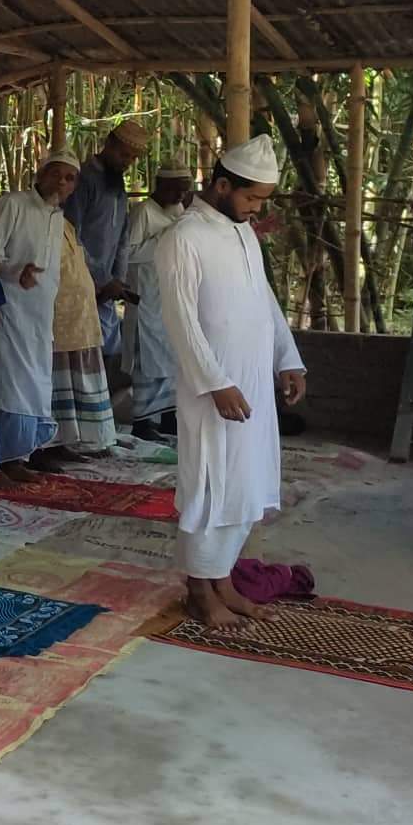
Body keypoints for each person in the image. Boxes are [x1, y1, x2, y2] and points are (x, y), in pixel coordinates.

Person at [157, 136, 305, 629]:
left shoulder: (244, 234)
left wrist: (288, 359)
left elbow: (266, 302)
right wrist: (215, 383)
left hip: (252, 383)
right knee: (210, 486)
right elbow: (180, 320)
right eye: (251, 197)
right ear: (222, 185)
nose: (256, 208)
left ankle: (222, 580)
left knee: (245, 483)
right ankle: (199, 591)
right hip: (213, 390)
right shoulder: (183, 237)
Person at [0, 152, 78, 481]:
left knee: (34, 384)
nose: (61, 182)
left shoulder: (58, 218)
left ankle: (19, 456)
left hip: (39, 317)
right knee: (8, 384)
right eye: (56, 174)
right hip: (9, 310)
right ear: (40, 173)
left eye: (69, 178)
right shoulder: (13, 204)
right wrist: (15, 269)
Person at [63, 121, 149, 357]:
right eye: (123, 154)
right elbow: (70, 238)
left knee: (108, 356)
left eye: (132, 158)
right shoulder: (83, 180)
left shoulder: (117, 182)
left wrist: (117, 280)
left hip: (105, 292)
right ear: (108, 143)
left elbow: (122, 237)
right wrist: (102, 278)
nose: (127, 162)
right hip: (78, 285)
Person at [123, 168, 195, 439]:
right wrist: (167, 237)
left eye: (185, 190)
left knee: (172, 360)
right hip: (146, 299)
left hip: (169, 298)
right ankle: (143, 422)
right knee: (148, 362)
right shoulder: (143, 212)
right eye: (175, 189)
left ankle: (168, 418)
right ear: (160, 184)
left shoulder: (178, 210)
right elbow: (128, 254)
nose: (180, 195)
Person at [49, 189, 119, 460]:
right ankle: (62, 442)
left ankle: (91, 439)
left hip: (82, 315)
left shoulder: (66, 225)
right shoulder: (39, 225)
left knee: (86, 380)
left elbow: (83, 263)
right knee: (63, 382)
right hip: (60, 319)